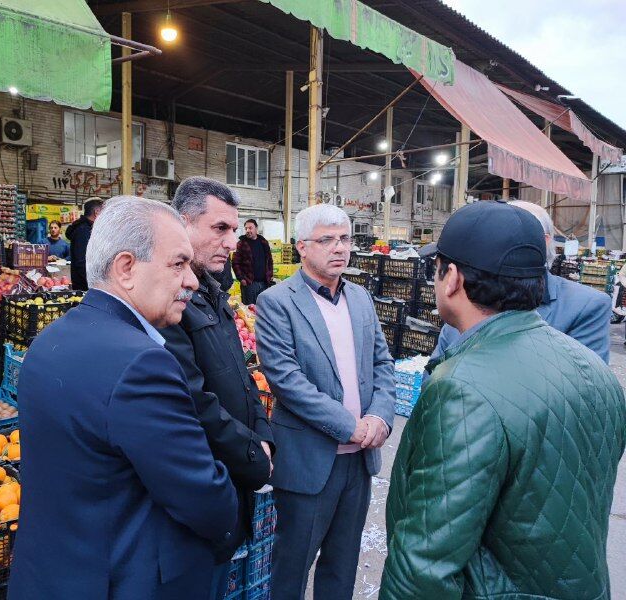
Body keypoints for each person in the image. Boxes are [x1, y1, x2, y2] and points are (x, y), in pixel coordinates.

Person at [381, 200, 626, 600]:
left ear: (452, 279)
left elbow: (425, 565)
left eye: (436, 268)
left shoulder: (462, 388)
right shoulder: (595, 371)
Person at [9, 197, 238, 600]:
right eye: (178, 264)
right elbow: (201, 496)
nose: (192, 280)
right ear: (126, 268)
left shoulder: (50, 340)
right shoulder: (143, 364)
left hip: (54, 573)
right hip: (125, 580)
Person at [255, 204, 396, 600]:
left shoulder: (361, 298)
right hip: (310, 460)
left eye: (345, 239)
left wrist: (380, 417)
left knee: (342, 565)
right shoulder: (277, 302)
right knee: (292, 566)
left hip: (359, 461)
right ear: (302, 247)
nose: (340, 248)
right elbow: (287, 381)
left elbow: (382, 363)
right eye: (327, 240)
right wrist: (350, 426)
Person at [160, 177, 274, 600]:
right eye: (220, 228)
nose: (231, 242)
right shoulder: (171, 304)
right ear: (183, 224)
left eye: (234, 229)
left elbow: (244, 379)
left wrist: (264, 434)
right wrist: (254, 456)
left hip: (230, 484)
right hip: (201, 493)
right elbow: (195, 402)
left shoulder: (214, 294)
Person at [427, 200, 611, 363]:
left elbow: (583, 382)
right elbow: (435, 369)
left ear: (543, 241)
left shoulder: (585, 306)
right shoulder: (463, 302)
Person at [65, 197, 104, 290]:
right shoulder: (83, 230)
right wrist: (95, 285)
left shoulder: (89, 229)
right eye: (103, 212)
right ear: (97, 212)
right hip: (85, 287)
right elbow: (82, 262)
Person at [234, 219, 273, 305]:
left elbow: (269, 260)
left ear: (256, 228)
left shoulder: (264, 242)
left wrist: (270, 274)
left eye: (250, 228)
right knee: (249, 309)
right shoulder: (242, 243)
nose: (248, 230)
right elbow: (235, 262)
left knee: (263, 307)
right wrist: (241, 278)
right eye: (246, 228)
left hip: (264, 283)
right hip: (249, 284)